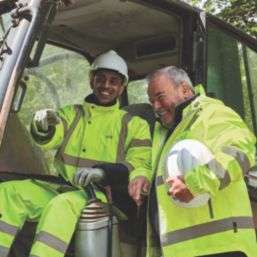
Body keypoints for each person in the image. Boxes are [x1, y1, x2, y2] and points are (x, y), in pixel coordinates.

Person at [0, 50, 152, 257]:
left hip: (99, 194)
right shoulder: (71, 114)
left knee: (60, 206)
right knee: (8, 193)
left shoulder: (134, 125)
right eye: (101, 79)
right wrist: (43, 125)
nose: (106, 86)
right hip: (61, 187)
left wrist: (103, 173)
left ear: (122, 86)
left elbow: (140, 162)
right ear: (91, 81)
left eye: (113, 81)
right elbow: (48, 139)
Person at [128, 66, 257, 257]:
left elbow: (242, 150)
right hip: (180, 251)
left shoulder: (211, 112)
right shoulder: (163, 132)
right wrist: (140, 176)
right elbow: (149, 164)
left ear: (185, 90)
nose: (155, 107)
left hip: (221, 249)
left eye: (160, 97)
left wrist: (194, 183)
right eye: (151, 101)